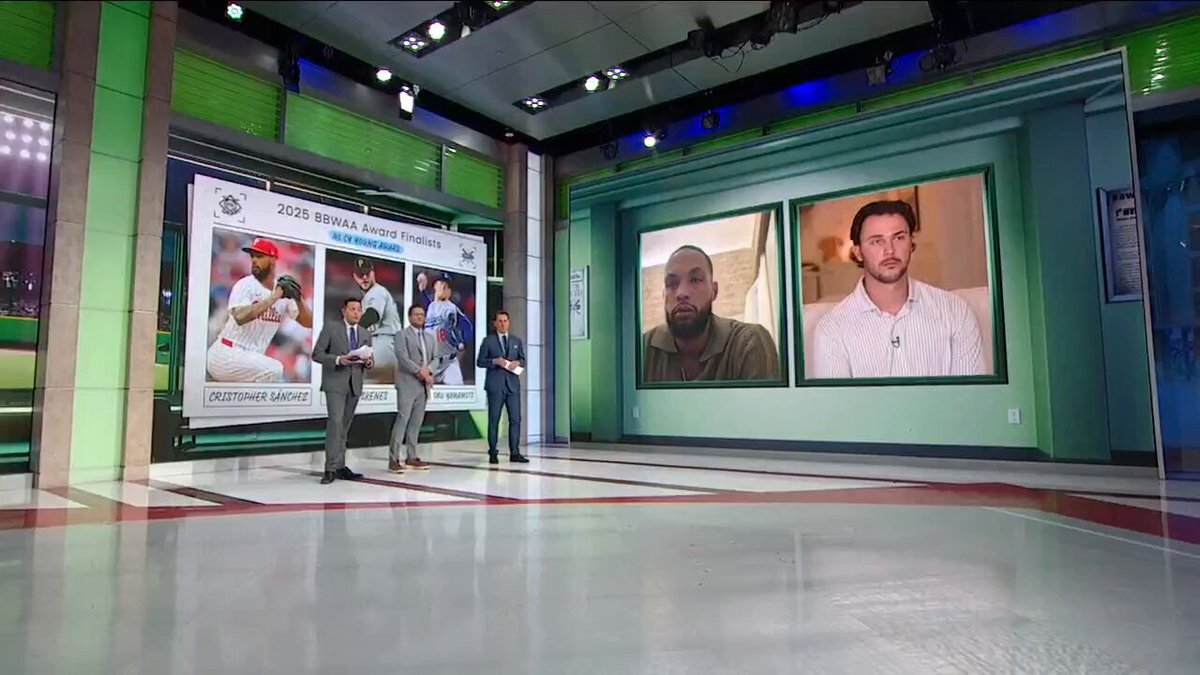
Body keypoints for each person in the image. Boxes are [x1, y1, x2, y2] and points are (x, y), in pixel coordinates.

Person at [811, 200, 986, 379]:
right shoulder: (832, 329)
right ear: (858, 252)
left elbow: (973, 393)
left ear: (911, 244)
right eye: (877, 241)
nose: (890, 250)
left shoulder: (955, 311)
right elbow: (836, 398)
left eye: (899, 238)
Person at [642, 245, 779, 383]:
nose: (682, 293)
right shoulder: (643, 349)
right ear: (663, 295)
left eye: (695, 280)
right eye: (672, 283)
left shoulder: (748, 343)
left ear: (714, 291)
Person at [206, 237, 313, 382]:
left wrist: (298, 298)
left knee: (273, 375)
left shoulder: (283, 289)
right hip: (227, 353)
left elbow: (308, 322)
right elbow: (240, 317)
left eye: (260, 256)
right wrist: (274, 297)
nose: (254, 260)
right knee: (274, 369)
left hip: (250, 359)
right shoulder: (245, 285)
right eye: (253, 256)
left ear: (273, 260)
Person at [311, 298, 372, 484]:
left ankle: (340, 466)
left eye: (359, 309)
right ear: (344, 311)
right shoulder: (331, 328)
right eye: (352, 309)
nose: (356, 312)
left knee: (344, 427)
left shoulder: (365, 333)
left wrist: (369, 362)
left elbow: (370, 358)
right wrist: (338, 360)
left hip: (355, 384)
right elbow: (317, 354)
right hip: (335, 384)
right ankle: (329, 468)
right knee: (335, 424)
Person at [476, 310, 528, 464]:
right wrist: (494, 361)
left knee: (515, 420)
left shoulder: (516, 341)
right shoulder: (488, 341)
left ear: (509, 322)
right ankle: (493, 452)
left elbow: (523, 361)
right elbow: (480, 362)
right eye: (500, 321)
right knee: (494, 420)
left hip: (512, 386)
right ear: (495, 323)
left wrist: (518, 363)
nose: (503, 324)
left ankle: (515, 453)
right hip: (495, 386)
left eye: (505, 321)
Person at [391, 305, 437, 472]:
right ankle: (393, 459)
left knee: (416, 423)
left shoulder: (430, 338)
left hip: (423, 386)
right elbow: (402, 357)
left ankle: (412, 457)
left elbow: (436, 358)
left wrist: (429, 371)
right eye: (416, 314)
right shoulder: (401, 335)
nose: (419, 317)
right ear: (409, 317)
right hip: (407, 384)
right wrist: (420, 372)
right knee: (402, 420)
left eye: (422, 315)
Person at [352, 257, 401, 383]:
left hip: (384, 342)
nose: (364, 278)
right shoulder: (369, 295)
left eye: (367, 273)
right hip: (382, 343)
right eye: (360, 274)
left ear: (373, 273)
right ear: (355, 277)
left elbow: (372, 315)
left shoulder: (377, 291)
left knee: (372, 383)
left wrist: (351, 330)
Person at [423, 271, 473, 385]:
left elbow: (468, 326)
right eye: (442, 284)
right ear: (435, 286)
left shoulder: (451, 308)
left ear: (450, 292)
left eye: (447, 287)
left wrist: (462, 342)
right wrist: (422, 288)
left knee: (457, 390)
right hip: (429, 363)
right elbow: (427, 301)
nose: (444, 288)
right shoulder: (430, 306)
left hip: (448, 362)